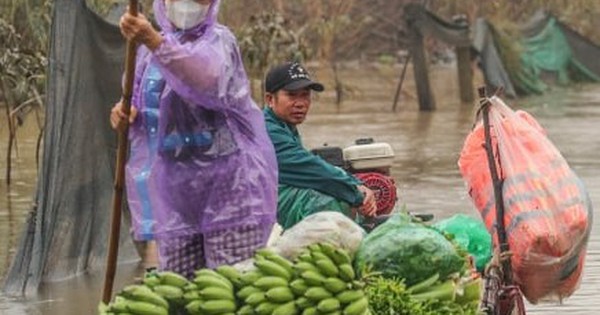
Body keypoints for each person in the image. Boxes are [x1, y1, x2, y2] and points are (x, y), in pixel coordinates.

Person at [110, 0, 278, 278]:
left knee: (229, 285)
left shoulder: (219, 42)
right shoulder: (144, 56)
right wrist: (123, 115)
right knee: (178, 288)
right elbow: (138, 108)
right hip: (175, 196)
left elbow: (206, 81)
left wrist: (153, 40)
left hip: (230, 190)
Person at [262, 62, 377, 230]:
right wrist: (356, 192)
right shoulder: (266, 130)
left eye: (305, 95)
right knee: (323, 202)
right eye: (292, 95)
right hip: (253, 206)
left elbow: (310, 166)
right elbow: (308, 168)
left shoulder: (283, 125)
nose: (301, 103)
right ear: (270, 99)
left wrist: (355, 183)